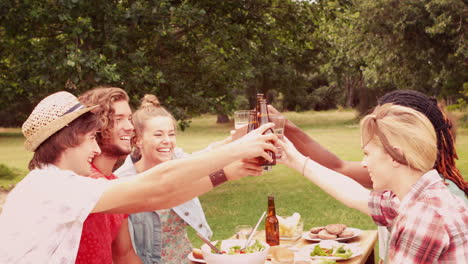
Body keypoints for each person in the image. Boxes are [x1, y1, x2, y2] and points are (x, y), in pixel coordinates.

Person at [0, 91, 277, 263]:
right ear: (66, 141)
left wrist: (228, 172)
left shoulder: (63, 184)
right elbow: (159, 182)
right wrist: (236, 149)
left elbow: (158, 197)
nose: (95, 148)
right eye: (89, 139)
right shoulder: (52, 188)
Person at [269, 90, 467, 262]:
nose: (364, 163)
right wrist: (293, 159)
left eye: (367, 154)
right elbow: (354, 194)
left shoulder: (424, 217)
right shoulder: (422, 197)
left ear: (395, 155)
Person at [114, 94, 261, 263]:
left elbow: (204, 157)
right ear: (138, 140)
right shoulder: (122, 182)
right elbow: (123, 253)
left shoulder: (177, 159)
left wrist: (232, 142)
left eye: (171, 134)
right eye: (158, 135)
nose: (167, 141)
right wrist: (226, 172)